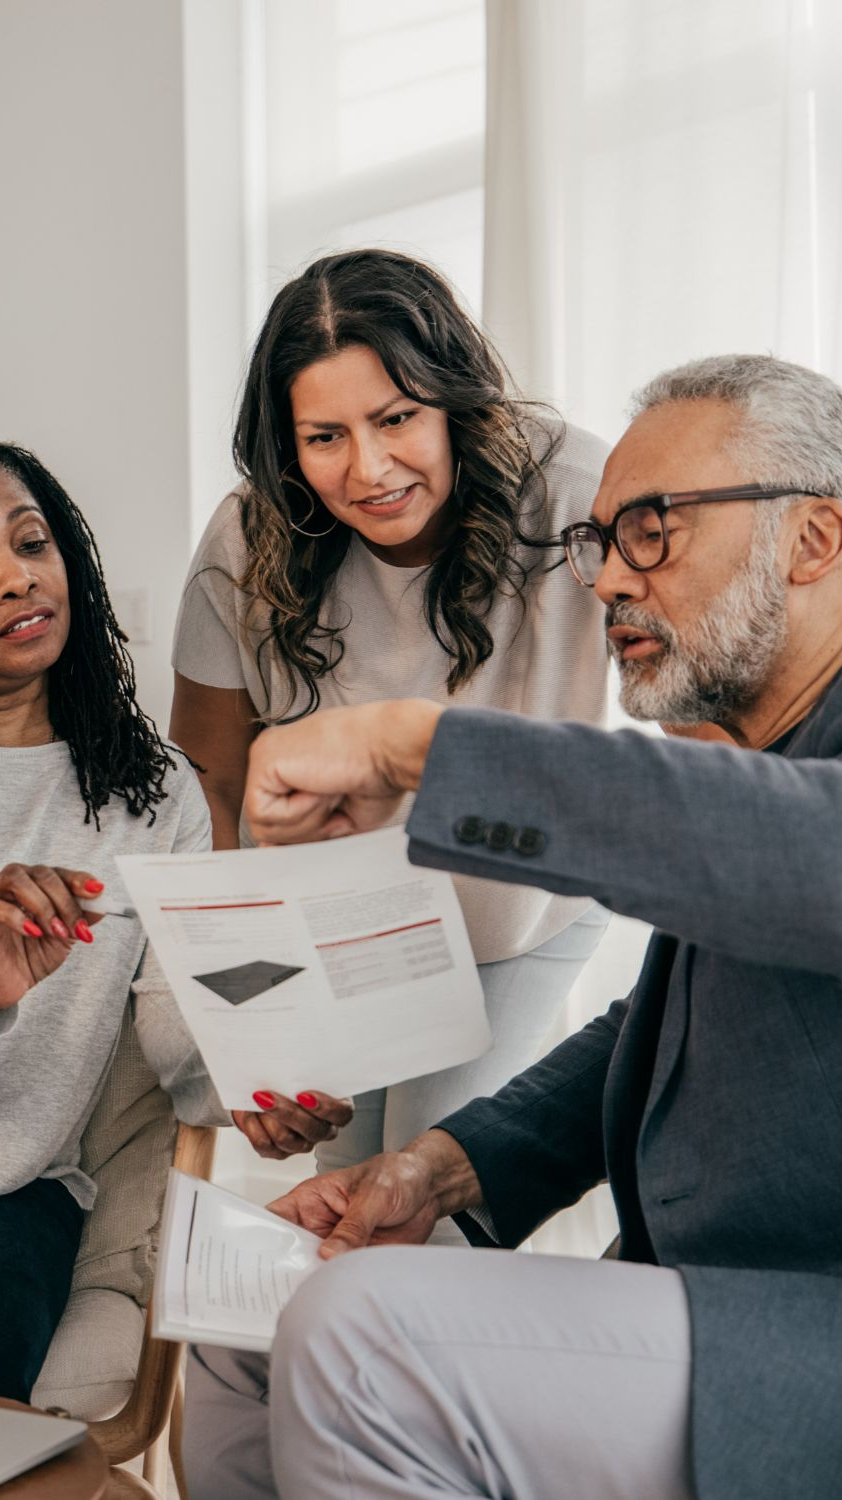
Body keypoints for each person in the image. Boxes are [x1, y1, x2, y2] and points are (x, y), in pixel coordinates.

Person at [184, 354, 842, 1500]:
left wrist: (412, 747)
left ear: (814, 540)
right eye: (600, 541)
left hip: (805, 1335)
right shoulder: (763, 747)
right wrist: (440, 1170)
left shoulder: (795, 795)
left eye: (652, 529)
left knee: (359, 1333)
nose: (603, 583)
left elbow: (817, 856)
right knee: (252, 1314)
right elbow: (662, 1026)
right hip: (702, 1304)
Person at [0, 438, 337, 1403]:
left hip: (14, 1181)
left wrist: (256, 1086)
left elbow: (173, 1010)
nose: (17, 578)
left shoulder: (154, 793)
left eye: (32, 544)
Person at [170, 248, 610, 1193]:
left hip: (511, 917)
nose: (368, 470)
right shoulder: (249, 536)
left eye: (398, 418)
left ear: (453, 401)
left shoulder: (577, 493)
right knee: (345, 1192)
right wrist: (251, 1017)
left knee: (419, 1199)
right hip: (335, 931)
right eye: (324, 436)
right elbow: (206, 778)